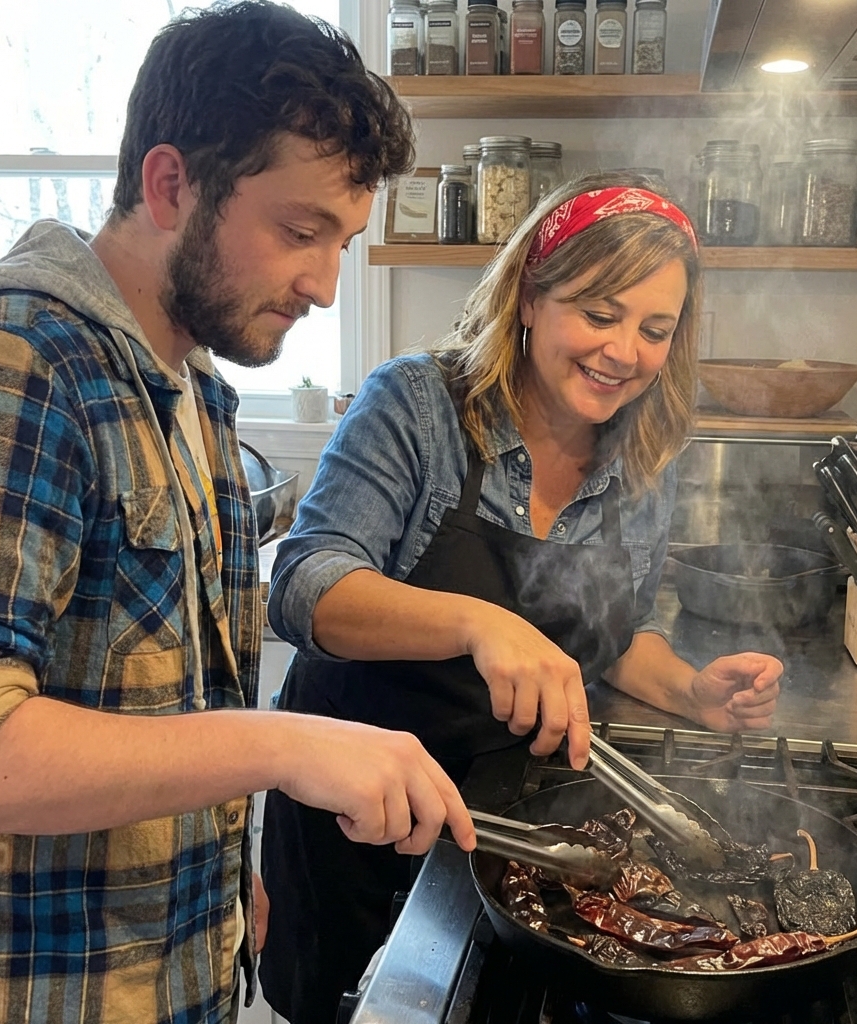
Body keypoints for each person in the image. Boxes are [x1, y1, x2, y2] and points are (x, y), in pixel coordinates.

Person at [0, 5, 475, 1023]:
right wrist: (285, 744)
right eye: (299, 229)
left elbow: (160, 703)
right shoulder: (15, 356)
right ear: (170, 182)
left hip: (174, 968)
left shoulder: (195, 393)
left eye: (343, 241)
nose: (322, 283)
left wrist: (225, 876)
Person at [260, 170, 785, 1022]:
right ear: (531, 296)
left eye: (656, 329)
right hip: (362, 812)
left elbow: (615, 636)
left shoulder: (644, 454)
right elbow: (306, 587)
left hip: (525, 827)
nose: (626, 353)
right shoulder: (420, 406)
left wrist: (692, 689)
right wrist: (478, 623)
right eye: (601, 313)